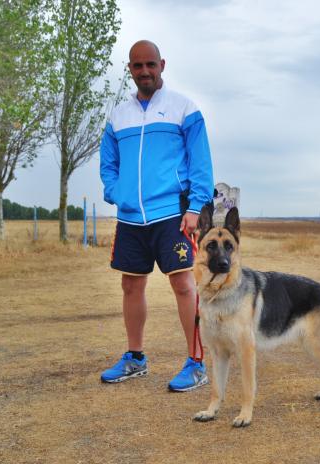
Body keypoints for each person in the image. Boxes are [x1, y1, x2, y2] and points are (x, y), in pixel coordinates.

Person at [99, 40, 214, 391]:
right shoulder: (118, 116)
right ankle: (135, 358)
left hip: (172, 215)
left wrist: (195, 207)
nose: (145, 71)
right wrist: (118, 193)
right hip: (131, 218)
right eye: (138, 66)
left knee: (183, 284)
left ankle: (196, 362)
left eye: (150, 64)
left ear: (162, 65)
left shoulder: (184, 109)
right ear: (130, 69)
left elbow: (201, 163)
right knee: (131, 285)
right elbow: (108, 164)